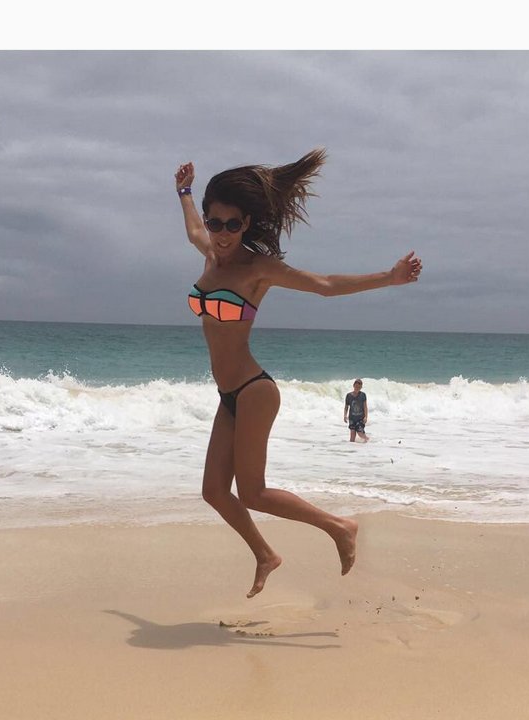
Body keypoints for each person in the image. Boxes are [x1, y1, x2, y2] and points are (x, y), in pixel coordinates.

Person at [174, 149, 422, 598]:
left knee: (253, 493)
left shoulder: (258, 269)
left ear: (247, 224)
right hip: (228, 394)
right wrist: (185, 192)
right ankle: (265, 555)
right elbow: (193, 228)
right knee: (214, 491)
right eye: (216, 223)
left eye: (232, 224)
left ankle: (339, 526)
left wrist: (390, 277)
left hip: (254, 390)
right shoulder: (209, 254)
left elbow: (324, 285)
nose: (222, 233)